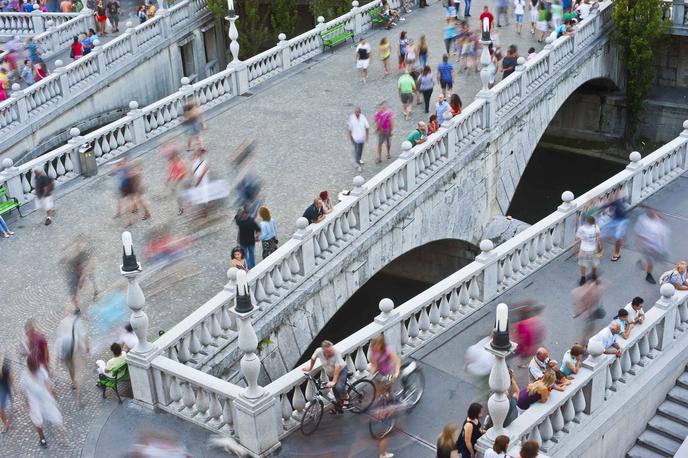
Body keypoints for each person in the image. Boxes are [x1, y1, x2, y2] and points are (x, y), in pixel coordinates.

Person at [21, 354, 63, 447]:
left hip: (44, 398)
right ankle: (42, 438)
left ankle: (50, 426)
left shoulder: (41, 371)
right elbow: (23, 392)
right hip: (34, 401)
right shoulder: (25, 377)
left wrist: (54, 394)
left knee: (52, 414)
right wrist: (26, 403)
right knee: (38, 421)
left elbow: (47, 384)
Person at [369, 335, 400, 458]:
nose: (375, 348)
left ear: (381, 345)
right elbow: (373, 364)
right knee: (380, 392)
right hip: (379, 374)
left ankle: (391, 399)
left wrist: (396, 372)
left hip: (388, 373)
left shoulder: (387, 349)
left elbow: (396, 361)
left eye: (377, 346)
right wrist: (372, 370)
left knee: (387, 388)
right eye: (373, 346)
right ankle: (387, 401)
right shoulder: (373, 352)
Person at [302, 340, 348, 410]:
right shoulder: (319, 351)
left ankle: (346, 397)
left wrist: (334, 381)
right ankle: (339, 404)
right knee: (335, 390)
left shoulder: (336, 352)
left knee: (339, 386)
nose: (331, 352)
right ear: (324, 351)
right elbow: (313, 358)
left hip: (341, 370)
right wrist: (310, 367)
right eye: (329, 352)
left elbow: (337, 367)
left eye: (331, 350)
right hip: (330, 373)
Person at [55, 310, 89, 403]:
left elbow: (59, 338)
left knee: (70, 366)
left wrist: (58, 355)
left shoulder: (63, 322)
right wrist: (86, 345)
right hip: (75, 347)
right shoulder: (77, 322)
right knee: (75, 365)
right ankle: (76, 382)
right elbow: (83, 334)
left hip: (66, 349)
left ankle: (73, 381)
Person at [634, 208, 670, 284]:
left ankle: (667, 277)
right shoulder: (644, 221)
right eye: (654, 212)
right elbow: (640, 235)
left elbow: (662, 233)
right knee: (651, 262)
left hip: (660, 247)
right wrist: (640, 245)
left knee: (663, 262)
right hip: (649, 248)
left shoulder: (658, 220)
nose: (655, 214)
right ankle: (648, 275)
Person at [575, 215, 601, 285]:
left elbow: (578, 239)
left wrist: (576, 249)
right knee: (594, 263)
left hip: (584, 249)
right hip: (593, 249)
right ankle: (593, 275)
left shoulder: (581, 229)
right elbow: (598, 238)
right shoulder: (596, 227)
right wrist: (599, 247)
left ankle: (583, 278)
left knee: (582, 264)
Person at [348, 107, 369, 172]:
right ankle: (358, 164)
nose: (356, 113)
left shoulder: (363, 118)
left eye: (358, 112)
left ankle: (359, 159)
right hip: (354, 137)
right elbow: (350, 128)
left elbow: (367, 127)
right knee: (357, 150)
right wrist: (350, 136)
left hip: (361, 137)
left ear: (360, 112)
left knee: (360, 150)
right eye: (355, 112)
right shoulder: (352, 118)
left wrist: (367, 136)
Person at [0, 353, 12, 433]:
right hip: (4, 387)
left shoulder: (5, 364)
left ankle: (6, 424)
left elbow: (10, 376)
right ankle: (6, 423)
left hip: (4, 387)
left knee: (1, 409)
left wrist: (12, 386)